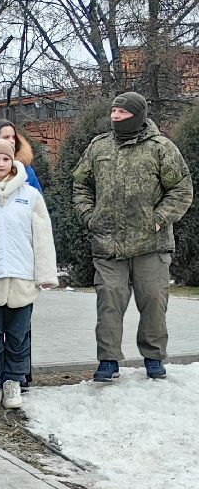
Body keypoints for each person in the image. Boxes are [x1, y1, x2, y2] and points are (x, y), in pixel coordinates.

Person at [72, 91, 194, 381]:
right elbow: (80, 186)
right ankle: (108, 360)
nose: (115, 117)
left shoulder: (161, 147)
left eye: (122, 113)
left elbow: (181, 189)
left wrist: (159, 219)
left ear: (137, 115)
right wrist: (90, 217)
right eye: (113, 112)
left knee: (153, 300)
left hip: (151, 245)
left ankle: (153, 356)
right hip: (108, 243)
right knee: (109, 302)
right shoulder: (98, 146)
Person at [0, 138, 59, 408]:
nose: (0, 164)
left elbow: (42, 237)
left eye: (5, 159)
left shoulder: (30, 195)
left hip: (22, 278)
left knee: (18, 336)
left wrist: (45, 274)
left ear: (13, 161)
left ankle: (13, 382)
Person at [0, 119, 43, 190]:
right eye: (6, 137)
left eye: (13, 137)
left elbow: (37, 197)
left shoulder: (25, 169)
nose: (12, 141)